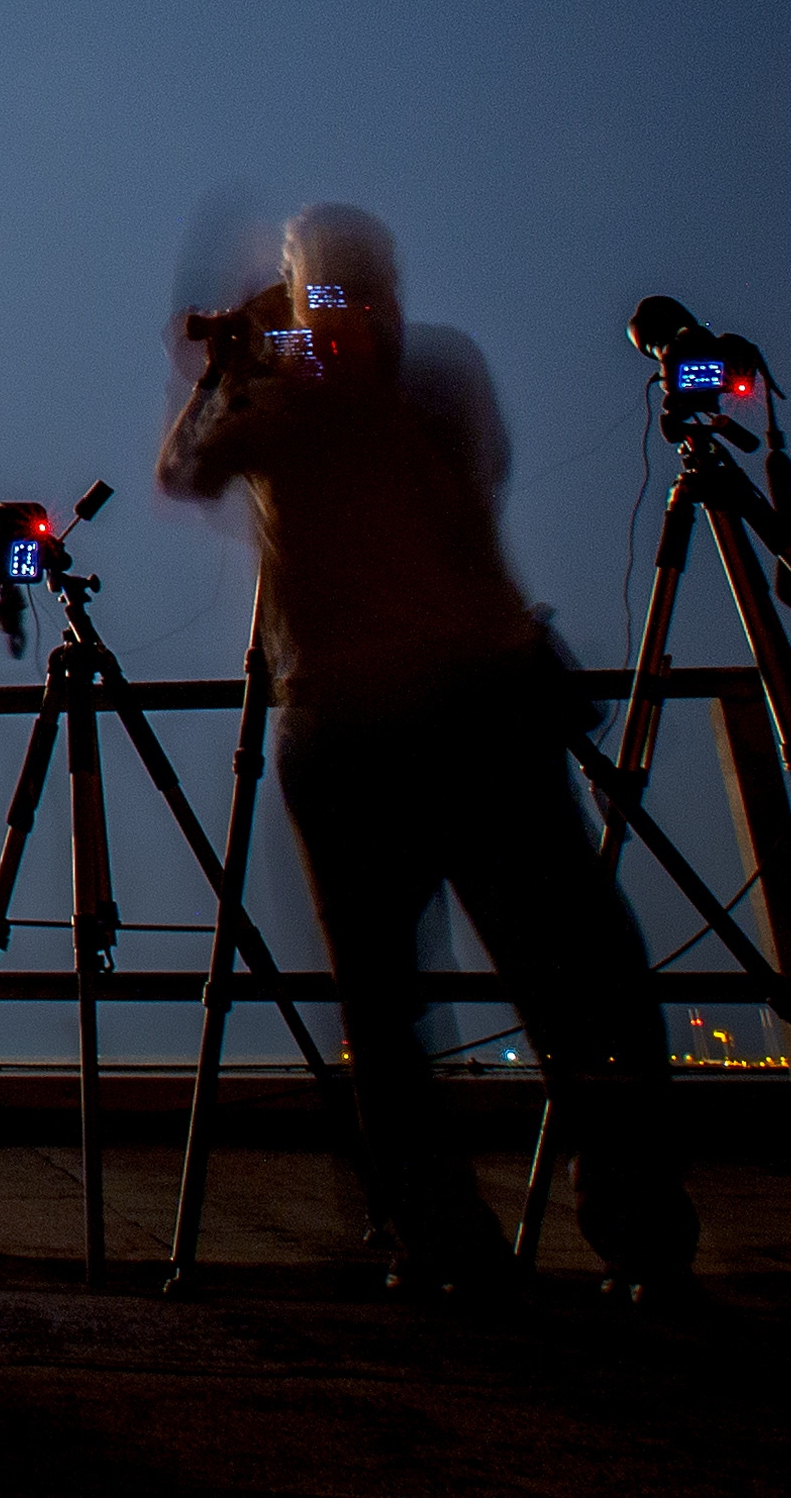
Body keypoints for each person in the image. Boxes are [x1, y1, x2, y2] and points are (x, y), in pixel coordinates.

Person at [160, 203, 693, 1299]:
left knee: (528, 991)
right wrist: (239, 363)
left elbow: (257, 447)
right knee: (493, 995)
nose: (346, 308)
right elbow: (188, 469)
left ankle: (527, 1237)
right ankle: (538, 1237)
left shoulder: (414, 378)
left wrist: (255, 351)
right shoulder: (313, 384)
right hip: (423, 720)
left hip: (422, 716)